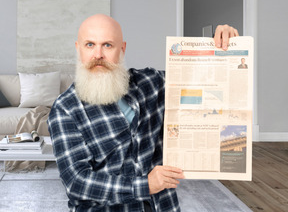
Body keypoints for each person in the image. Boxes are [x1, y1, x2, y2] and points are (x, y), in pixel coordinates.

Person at [47, 14, 239, 212]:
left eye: (107, 45)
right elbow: (77, 181)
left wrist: (221, 46)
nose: (98, 55)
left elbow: (202, 79)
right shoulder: (65, 110)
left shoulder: (149, 83)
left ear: (122, 49)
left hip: (163, 206)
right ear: (78, 49)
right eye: (89, 45)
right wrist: (146, 185)